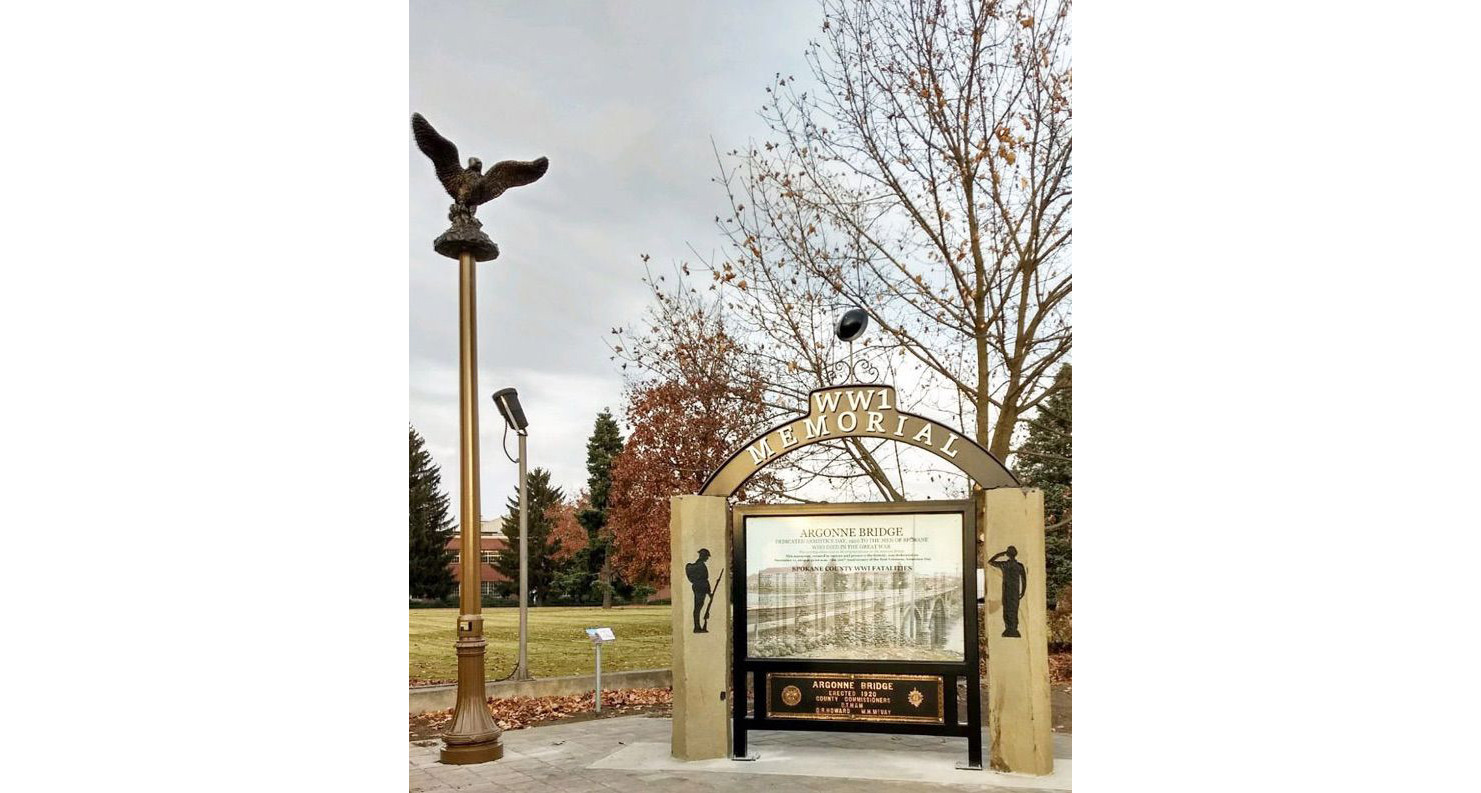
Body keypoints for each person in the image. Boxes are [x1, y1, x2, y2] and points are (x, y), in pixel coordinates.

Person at [987, 546, 1027, 638]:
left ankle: (1010, 629)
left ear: (1008, 554)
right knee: (1014, 609)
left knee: (1007, 609)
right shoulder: (1019, 566)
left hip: (1008, 590)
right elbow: (1024, 581)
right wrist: (1023, 591)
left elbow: (990, 562)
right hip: (1014, 591)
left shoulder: (1005, 564)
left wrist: (1000, 554)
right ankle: (1012, 629)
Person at [686, 548, 712, 633]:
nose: (707, 558)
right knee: (698, 607)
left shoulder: (699, 565)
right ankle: (697, 627)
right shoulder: (700, 565)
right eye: (707, 556)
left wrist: (708, 592)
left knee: (698, 607)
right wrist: (709, 592)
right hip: (701, 588)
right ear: (703, 556)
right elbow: (704, 579)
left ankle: (697, 627)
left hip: (699, 587)